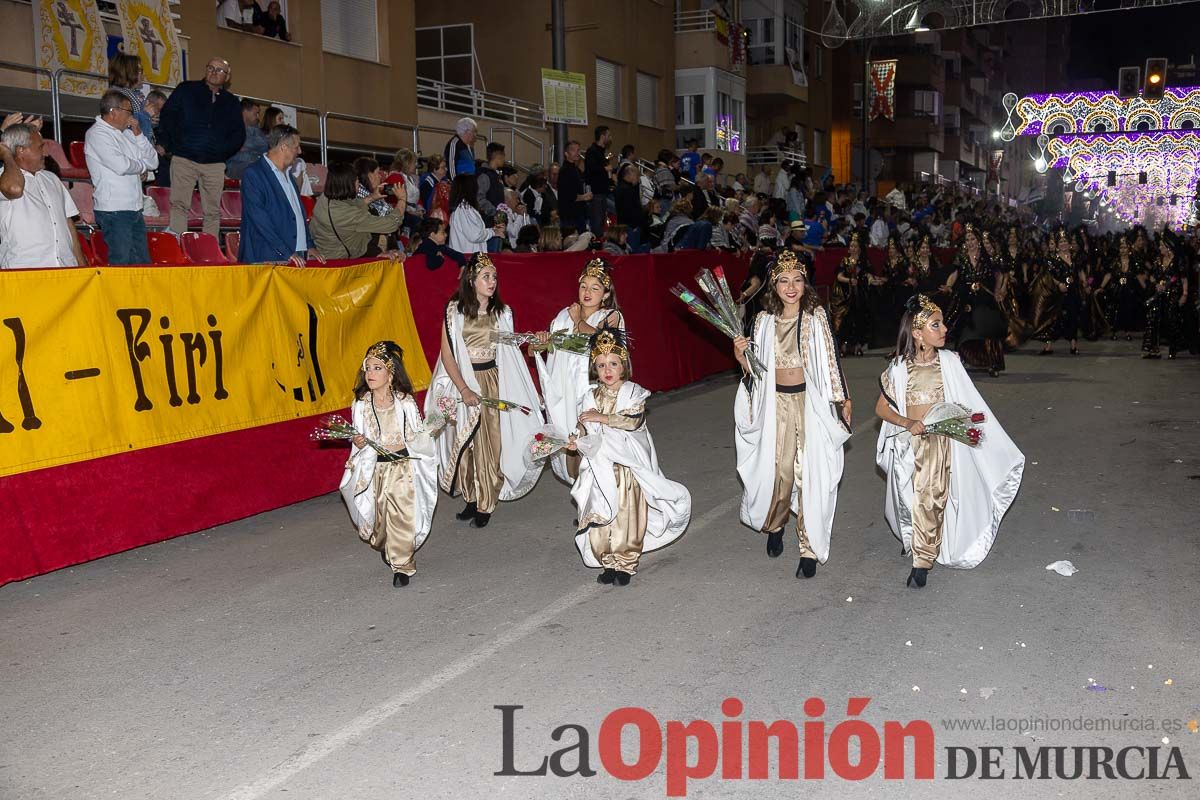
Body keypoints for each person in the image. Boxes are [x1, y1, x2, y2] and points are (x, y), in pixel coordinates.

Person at [875, 295, 1025, 588]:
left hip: (938, 442)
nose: (944, 329)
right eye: (936, 324)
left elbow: (967, 402)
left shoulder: (949, 362)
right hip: (908, 443)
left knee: (931, 498)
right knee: (908, 500)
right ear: (917, 334)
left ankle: (922, 560)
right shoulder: (898, 368)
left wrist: (961, 427)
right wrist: (907, 423)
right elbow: (881, 408)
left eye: (943, 323)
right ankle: (916, 539)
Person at [733, 250, 852, 578]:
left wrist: (842, 401)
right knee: (780, 471)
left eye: (797, 280)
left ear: (805, 284)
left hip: (808, 405)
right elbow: (755, 371)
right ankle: (775, 524)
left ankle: (809, 547)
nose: (790, 286)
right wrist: (741, 356)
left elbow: (830, 361)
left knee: (808, 473)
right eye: (783, 280)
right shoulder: (763, 321)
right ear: (773, 285)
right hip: (776, 406)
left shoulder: (815, 317)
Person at [425, 253, 545, 528]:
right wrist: (464, 388)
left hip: (491, 380)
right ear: (472, 279)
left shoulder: (501, 312)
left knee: (489, 443)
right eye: (486, 277)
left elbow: (507, 346)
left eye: (494, 277)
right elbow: (447, 355)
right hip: (464, 382)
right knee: (465, 442)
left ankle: (486, 501)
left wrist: (529, 339)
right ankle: (471, 496)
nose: (492, 282)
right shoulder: (454, 310)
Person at [567, 326, 691, 586]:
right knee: (600, 514)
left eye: (613, 364)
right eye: (601, 365)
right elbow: (582, 426)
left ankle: (625, 561)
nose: (607, 370)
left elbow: (633, 422)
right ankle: (608, 561)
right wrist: (574, 440)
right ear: (594, 369)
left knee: (626, 515)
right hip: (599, 468)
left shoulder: (633, 392)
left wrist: (601, 418)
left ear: (623, 365)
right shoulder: (590, 395)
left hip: (625, 468)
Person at [339, 341, 438, 588]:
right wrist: (358, 441)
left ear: (390, 374)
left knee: (402, 517)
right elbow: (358, 437)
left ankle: (402, 566)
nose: (370, 374)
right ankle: (389, 547)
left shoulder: (404, 402)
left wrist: (434, 426)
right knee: (381, 524)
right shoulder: (361, 404)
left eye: (376, 368)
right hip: (376, 471)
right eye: (367, 368)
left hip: (403, 468)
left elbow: (415, 434)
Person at [534, 258, 625, 484]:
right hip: (564, 389)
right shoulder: (564, 314)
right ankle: (583, 494)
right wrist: (540, 341)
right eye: (583, 286)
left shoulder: (611, 316)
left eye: (595, 288)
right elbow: (541, 349)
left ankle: (596, 496)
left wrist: (578, 321)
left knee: (589, 440)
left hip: (592, 389)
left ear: (605, 294)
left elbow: (602, 343)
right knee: (569, 444)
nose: (587, 292)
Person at [158, 57, 245, 236]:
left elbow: (239, 134)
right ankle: (179, 248)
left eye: (219, 70)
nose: (214, 72)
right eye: (211, 67)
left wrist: (221, 152)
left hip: (214, 164)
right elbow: (168, 115)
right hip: (184, 158)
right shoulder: (186, 89)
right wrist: (174, 144)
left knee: (212, 211)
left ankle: (210, 251)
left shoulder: (232, 102)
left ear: (227, 77)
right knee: (179, 205)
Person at [83, 90, 159, 265]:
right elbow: (121, 165)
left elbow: (153, 161)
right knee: (121, 262)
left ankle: (137, 293)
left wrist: (139, 134)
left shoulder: (126, 134)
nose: (131, 116)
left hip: (134, 208)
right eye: (128, 111)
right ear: (113, 111)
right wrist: (141, 167)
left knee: (141, 263)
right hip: (114, 210)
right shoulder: (97, 134)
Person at [0, 122, 85, 268]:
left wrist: (82, 265)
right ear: (20, 150)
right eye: (40, 147)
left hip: (64, 268)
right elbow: (14, 189)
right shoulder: (3, 179)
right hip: (25, 272)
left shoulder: (51, 178)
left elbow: (68, 224)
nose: (45, 153)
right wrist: (7, 154)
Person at [238, 124, 322, 265]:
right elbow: (259, 219)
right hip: (268, 256)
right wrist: (285, 251)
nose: (300, 151)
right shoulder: (254, 174)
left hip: (295, 254)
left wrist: (309, 244)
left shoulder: (289, 176)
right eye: (296, 147)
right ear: (283, 147)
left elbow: (298, 214)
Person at [309, 162, 402, 260]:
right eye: (356, 180)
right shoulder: (347, 214)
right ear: (348, 184)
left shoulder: (326, 197)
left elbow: (349, 204)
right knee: (376, 220)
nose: (359, 183)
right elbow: (392, 224)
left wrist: (371, 197)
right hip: (339, 259)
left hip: (327, 249)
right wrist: (402, 199)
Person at [831, 231, 871, 357]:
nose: (852, 248)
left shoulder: (864, 262)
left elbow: (869, 275)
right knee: (845, 320)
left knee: (860, 320)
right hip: (847, 296)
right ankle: (843, 346)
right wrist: (850, 280)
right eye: (851, 246)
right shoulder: (845, 261)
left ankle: (858, 346)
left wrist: (869, 279)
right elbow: (839, 276)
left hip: (860, 295)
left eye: (855, 246)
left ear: (860, 248)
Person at [448, 173, 502, 254]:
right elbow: (474, 235)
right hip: (469, 258)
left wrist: (492, 230)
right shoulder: (464, 209)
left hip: (470, 256)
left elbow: (475, 231)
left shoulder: (464, 208)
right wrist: (493, 232)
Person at [107, 54, 154, 146]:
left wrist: (151, 119)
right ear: (127, 72)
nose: (142, 74)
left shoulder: (136, 93)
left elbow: (139, 117)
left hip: (143, 146)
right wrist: (145, 115)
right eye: (139, 70)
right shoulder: (117, 94)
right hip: (132, 147)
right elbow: (123, 123)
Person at [224, 99, 266, 180]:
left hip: (253, 165)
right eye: (256, 113)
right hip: (233, 167)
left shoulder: (257, 130)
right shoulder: (231, 128)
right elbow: (231, 154)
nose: (258, 117)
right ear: (245, 111)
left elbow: (264, 146)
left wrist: (244, 147)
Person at [584, 126, 613, 235]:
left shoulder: (601, 152)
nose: (610, 138)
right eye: (608, 135)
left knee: (601, 220)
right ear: (602, 136)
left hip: (603, 191)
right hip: (595, 192)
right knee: (596, 221)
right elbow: (591, 169)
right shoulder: (592, 151)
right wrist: (605, 168)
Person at [557, 140, 591, 233]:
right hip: (570, 216)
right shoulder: (565, 171)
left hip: (578, 214)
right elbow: (568, 196)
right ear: (566, 154)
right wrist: (584, 197)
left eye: (578, 150)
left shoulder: (576, 169)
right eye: (573, 150)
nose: (577, 153)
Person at [476, 142, 506, 226]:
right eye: (504, 156)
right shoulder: (484, 176)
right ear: (498, 156)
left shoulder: (495, 175)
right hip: (487, 223)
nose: (504, 159)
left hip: (495, 222)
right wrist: (495, 212)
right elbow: (479, 199)